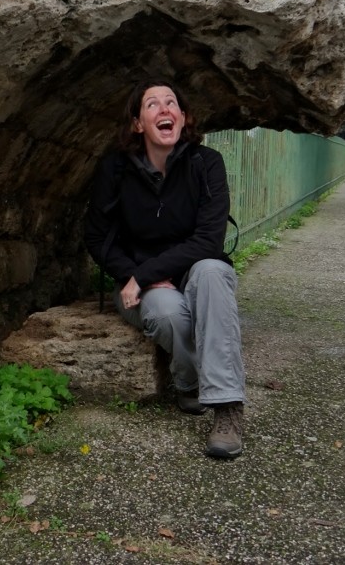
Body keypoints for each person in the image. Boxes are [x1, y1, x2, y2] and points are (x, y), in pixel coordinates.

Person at [83, 80, 246, 459]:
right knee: (168, 314)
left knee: (211, 274)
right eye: (152, 104)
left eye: (171, 103)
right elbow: (97, 236)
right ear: (138, 123)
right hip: (141, 276)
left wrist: (146, 273)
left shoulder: (207, 164)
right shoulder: (115, 169)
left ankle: (227, 408)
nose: (164, 109)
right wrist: (134, 275)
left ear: (183, 118)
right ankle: (188, 383)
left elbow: (208, 241)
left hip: (194, 268)